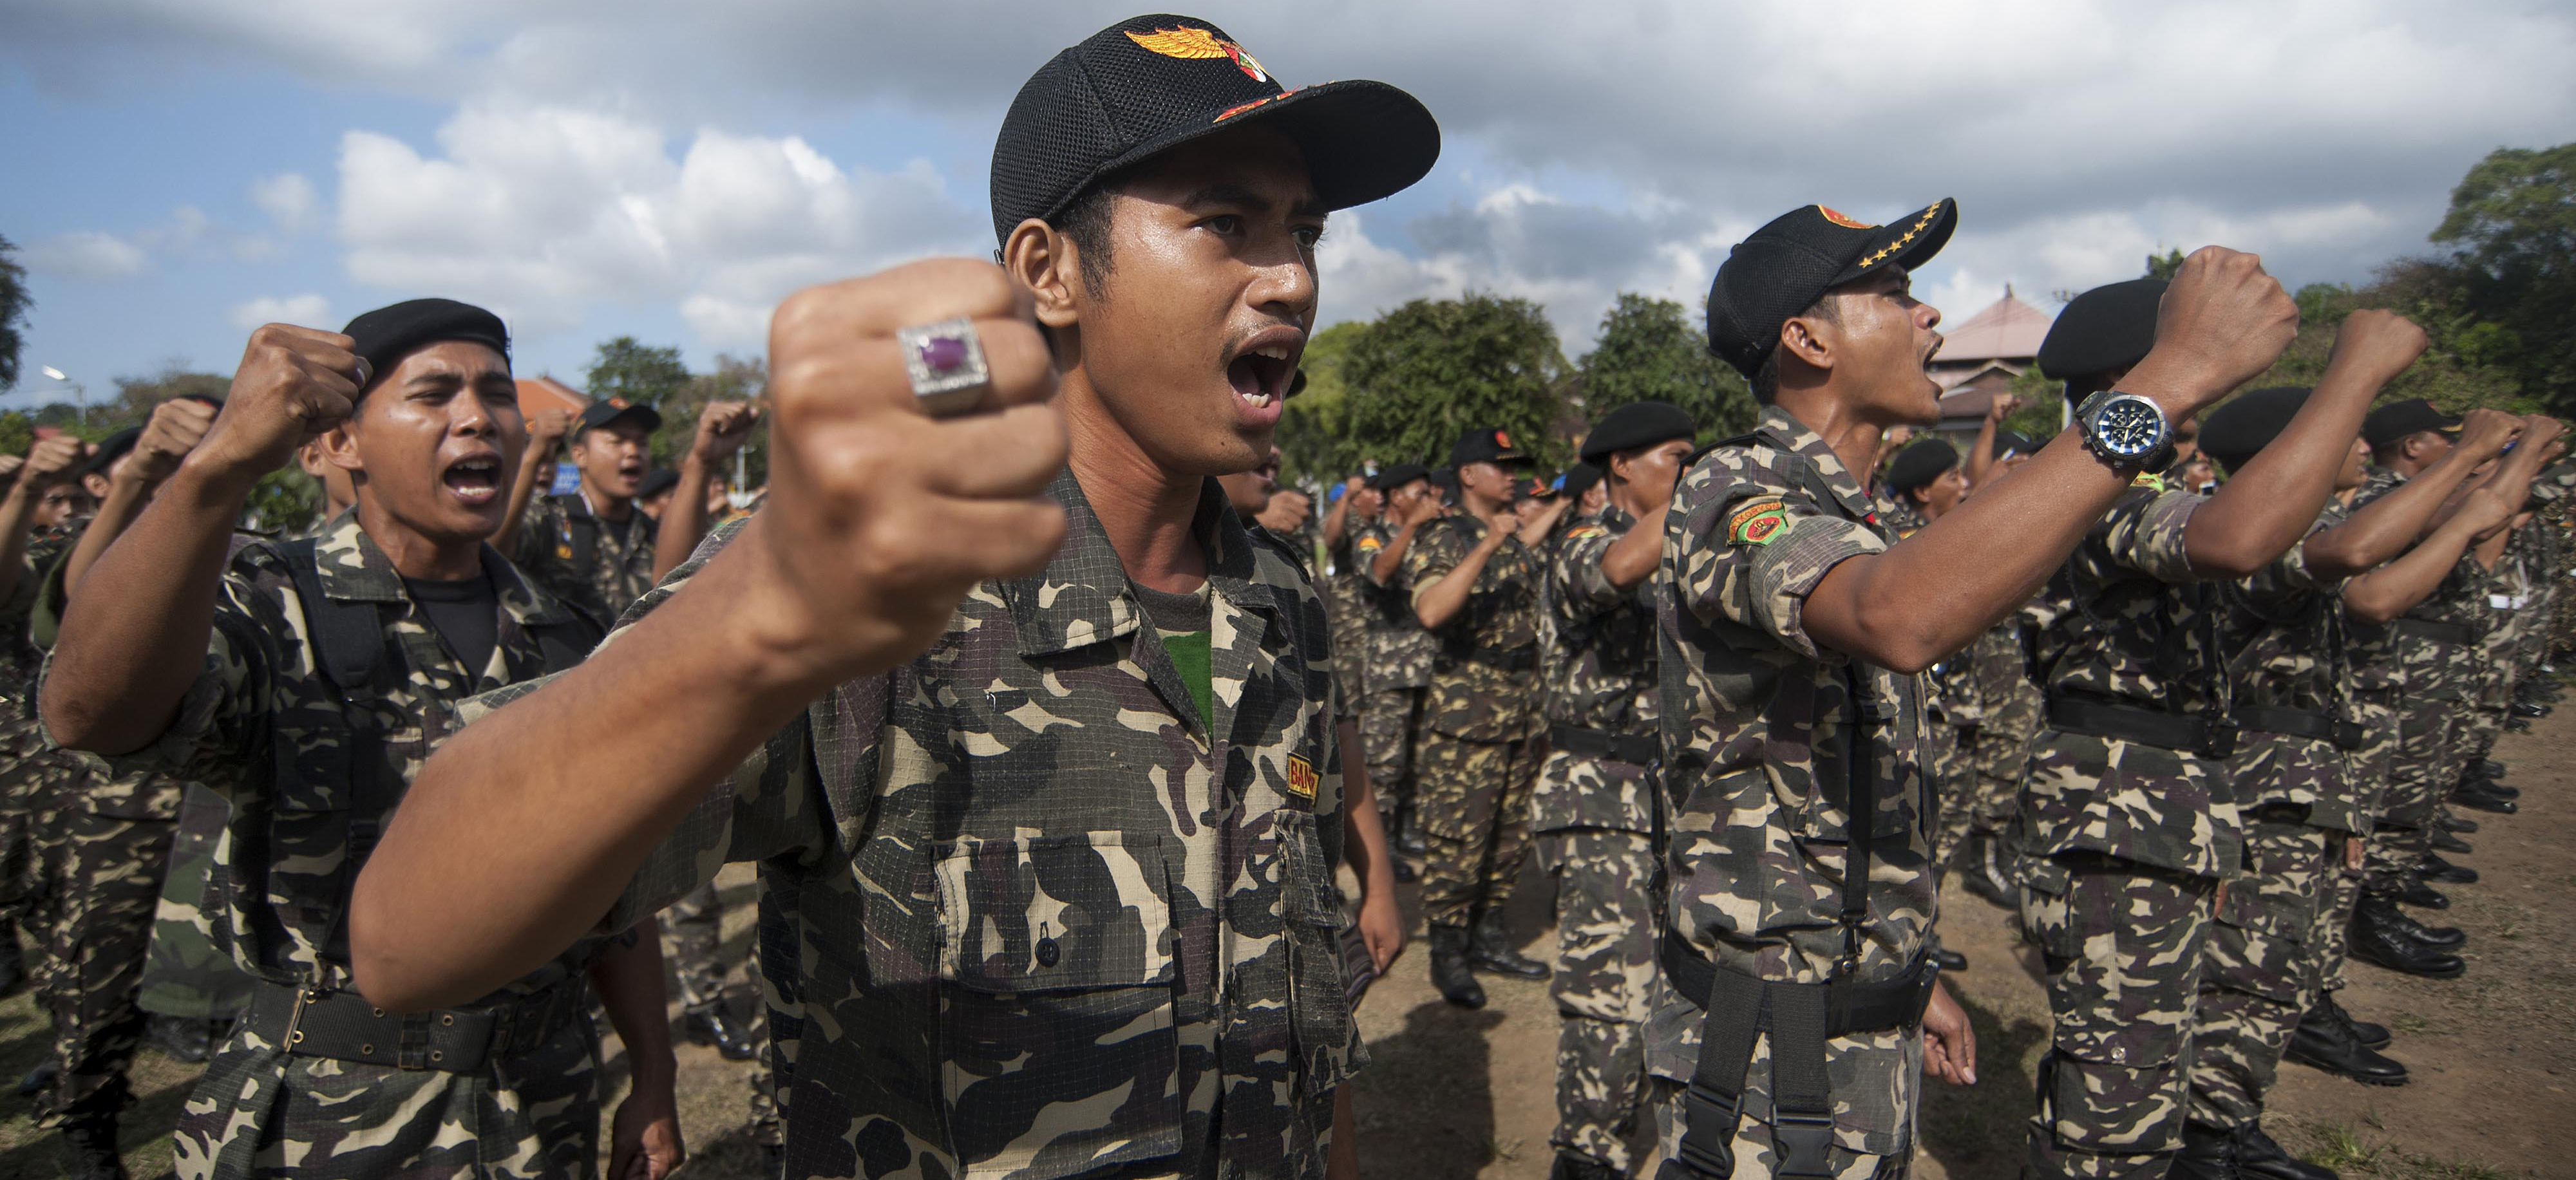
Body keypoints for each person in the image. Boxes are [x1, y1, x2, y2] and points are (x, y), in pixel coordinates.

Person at [349, 16, 1440, 1179]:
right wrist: (755, 615)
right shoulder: (880, 598)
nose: (1293, 278)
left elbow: (1303, 1047)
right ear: (1048, 272)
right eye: (1226, 223)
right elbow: (410, 940)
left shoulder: (1282, 607)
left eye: (1305, 231)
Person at [1653, 199, 2298, 1180]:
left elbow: (1847, 794)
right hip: (1766, 1039)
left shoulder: (1857, 517)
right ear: (1806, 337)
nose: (1931, 320)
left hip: (1851, 1008)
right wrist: (2172, 378)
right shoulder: (1736, 489)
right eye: (1897, 295)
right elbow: (1897, 618)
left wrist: (1907, 971)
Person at [40, 299, 680, 1180]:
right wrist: (215, 466)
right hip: (328, 1119)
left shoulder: (566, 637)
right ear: (343, 443)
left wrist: (653, 1068)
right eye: (433, 393)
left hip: (544, 1104)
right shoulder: (271, 604)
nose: (477, 415)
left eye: (497, 393)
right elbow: (86, 715)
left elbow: (619, 894)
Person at [2014, 291, 2424, 1180]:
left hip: (2162, 800)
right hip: (2117, 811)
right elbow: (2240, 541)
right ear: (2133, 375)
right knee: (2116, 1100)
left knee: (2150, 1072)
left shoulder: (2131, 480)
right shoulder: (2087, 483)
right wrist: (2353, 371)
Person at [2175, 375, 2503, 1178]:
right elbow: (2366, 578)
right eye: (2342, 432)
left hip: (2307, 771)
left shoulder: (2295, 523)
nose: (2360, 445)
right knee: (2247, 968)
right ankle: (2206, 1139)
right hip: (2264, 779)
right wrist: (2467, 477)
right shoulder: (2250, 533)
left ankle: (2228, 1120)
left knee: (2281, 958)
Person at [1535, 401, 1692, 1180]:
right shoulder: (1580, 538)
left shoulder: (1685, 544)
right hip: (1601, 798)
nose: (1691, 475)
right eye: (1678, 458)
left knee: (1672, 982)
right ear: (1621, 465)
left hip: (1671, 796)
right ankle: (1588, 1154)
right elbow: (1616, 570)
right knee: (1610, 993)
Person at [1406, 425, 1564, 1006]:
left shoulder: (1512, 534)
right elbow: (1430, 611)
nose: (1513, 475)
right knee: (1459, 839)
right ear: (1468, 474)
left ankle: (1489, 935)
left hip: (1522, 712)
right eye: (1501, 466)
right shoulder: (1446, 536)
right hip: (1467, 719)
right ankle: (1448, 951)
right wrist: (1487, 544)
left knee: (1508, 835)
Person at [1355, 462, 1443, 875]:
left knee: (1418, 756)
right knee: (1385, 761)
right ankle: (1383, 846)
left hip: (1427, 661)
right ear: (1395, 497)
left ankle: (1409, 831)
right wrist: (1412, 529)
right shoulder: (1373, 535)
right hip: (1390, 666)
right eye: (1419, 493)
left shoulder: (1430, 538)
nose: (1428, 501)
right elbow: (1379, 572)